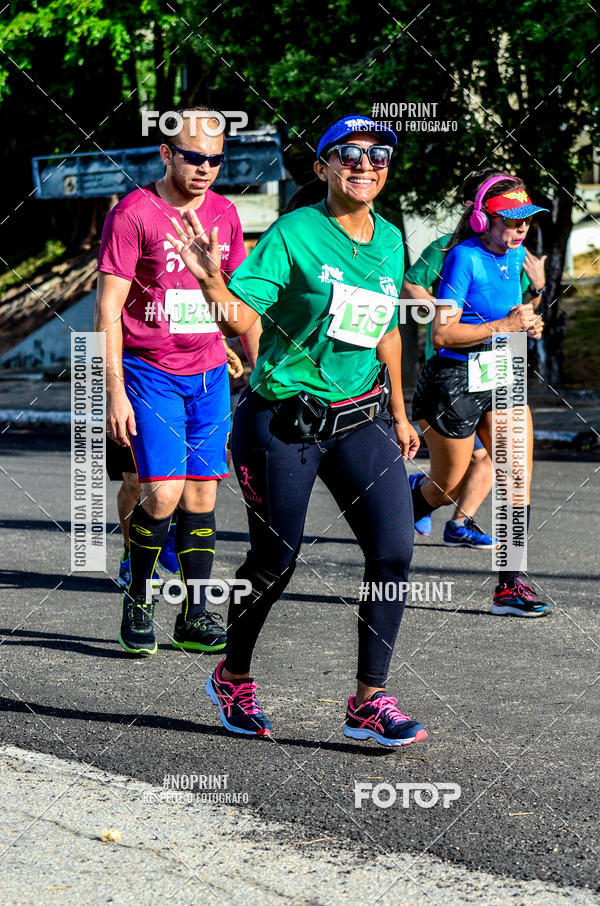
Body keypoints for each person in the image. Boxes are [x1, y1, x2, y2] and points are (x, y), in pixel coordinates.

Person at [167, 113, 428, 747]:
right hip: (281, 421)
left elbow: (385, 327)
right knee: (275, 560)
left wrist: (397, 410)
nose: (365, 165)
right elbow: (237, 320)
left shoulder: (391, 239)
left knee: (394, 549)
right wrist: (208, 280)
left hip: (361, 416)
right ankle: (233, 676)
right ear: (323, 167)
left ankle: (369, 701)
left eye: (379, 155)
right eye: (350, 154)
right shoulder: (294, 233)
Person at [95, 105, 260, 656]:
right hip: (148, 371)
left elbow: (229, 299)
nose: (206, 168)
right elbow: (108, 310)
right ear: (167, 153)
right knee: (160, 493)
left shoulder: (224, 214)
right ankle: (138, 595)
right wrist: (114, 389)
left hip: (209, 371)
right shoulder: (132, 213)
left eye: (215, 159)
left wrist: (242, 353)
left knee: (201, 494)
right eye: (194, 157)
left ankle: (195, 614)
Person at [410, 173, 550, 616]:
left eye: (526, 220)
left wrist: (526, 320)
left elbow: (506, 312)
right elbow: (443, 333)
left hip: (503, 369)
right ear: (481, 219)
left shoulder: (516, 256)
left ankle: (510, 586)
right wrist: (505, 327)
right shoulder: (462, 259)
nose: (520, 229)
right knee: (446, 487)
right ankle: (403, 505)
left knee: (515, 476)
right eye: (511, 221)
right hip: (455, 379)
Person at [109, 340, 245, 587]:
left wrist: (218, 341)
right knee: (136, 482)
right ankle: (132, 554)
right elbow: (107, 317)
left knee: (200, 477)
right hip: (135, 372)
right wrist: (112, 386)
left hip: (194, 369)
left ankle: (171, 528)